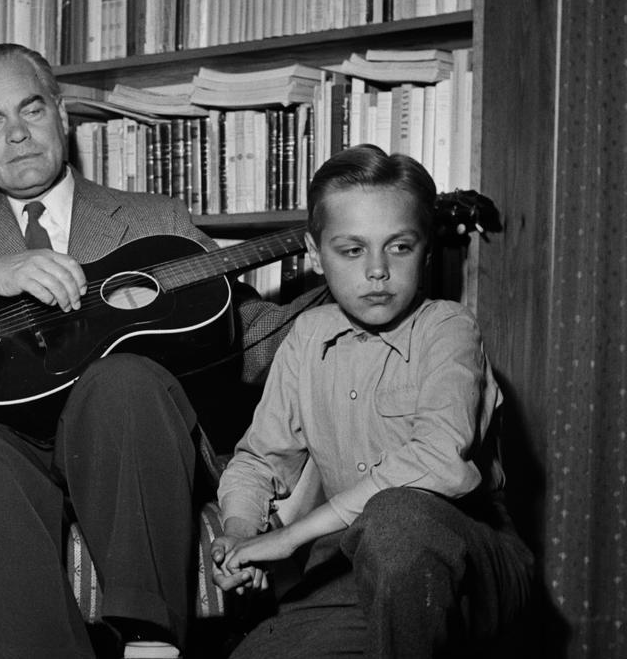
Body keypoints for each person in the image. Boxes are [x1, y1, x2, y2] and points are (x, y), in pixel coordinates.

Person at [0, 43, 329, 659]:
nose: (17, 135)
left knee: (119, 380)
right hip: (6, 440)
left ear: (61, 115)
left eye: (31, 110)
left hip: (129, 439)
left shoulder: (151, 218)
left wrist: (345, 299)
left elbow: (245, 335)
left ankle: (149, 641)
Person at [212, 144, 535, 657]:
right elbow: (258, 461)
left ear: (427, 250)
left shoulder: (448, 328)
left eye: (399, 247)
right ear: (315, 254)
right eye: (353, 249)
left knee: (397, 519)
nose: (378, 270)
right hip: (347, 569)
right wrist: (241, 535)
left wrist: (289, 538)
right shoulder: (306, 337)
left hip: (469, 563)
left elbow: (437, 462)